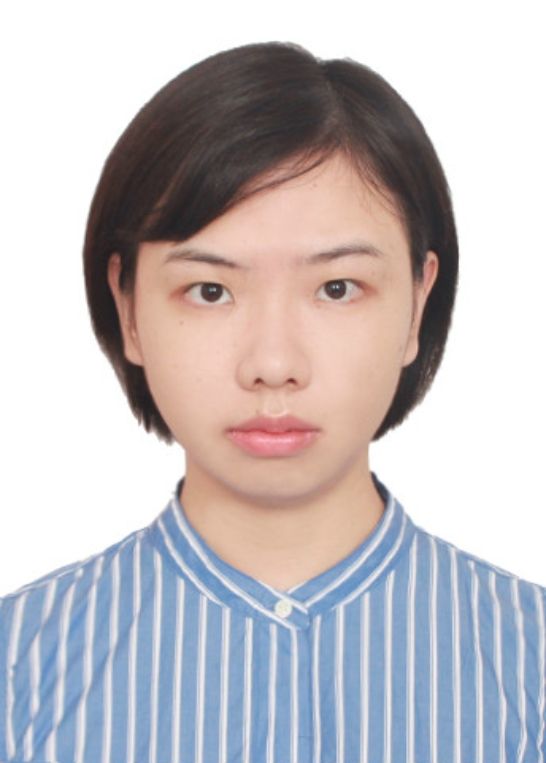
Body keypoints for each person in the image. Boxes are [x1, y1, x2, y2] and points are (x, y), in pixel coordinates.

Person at [0, 40, 544, 763]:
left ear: (418, 302)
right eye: (210, 291)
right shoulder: (18, 669)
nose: (273, 365)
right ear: (128, 308)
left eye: (337, 288)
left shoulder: (531, 666)